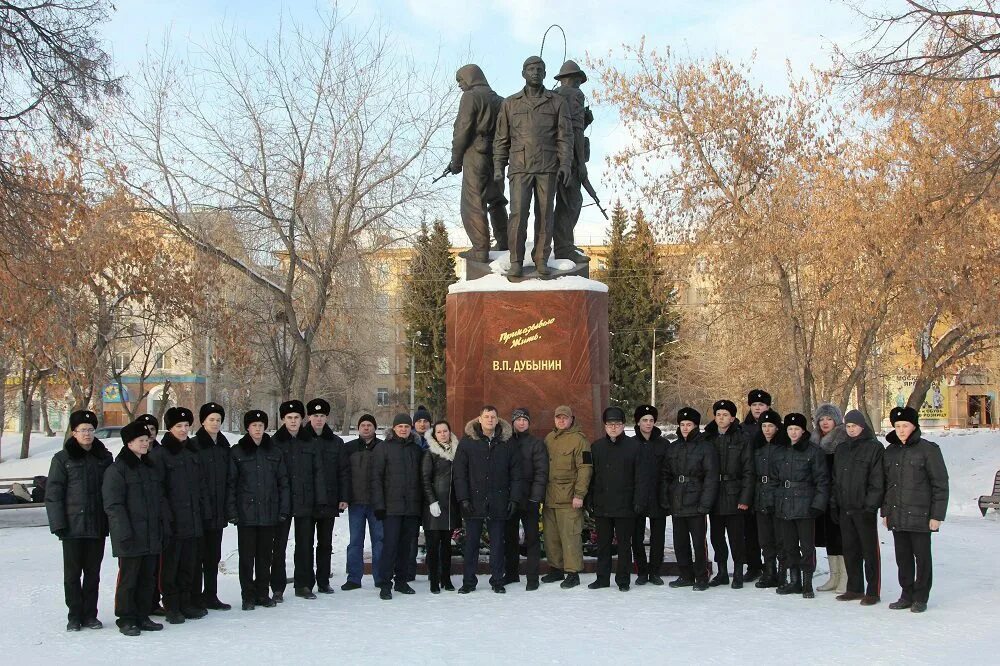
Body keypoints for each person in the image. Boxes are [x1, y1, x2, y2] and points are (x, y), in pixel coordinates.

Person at [493, 55, 573, 277]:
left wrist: (565, 163)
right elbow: (501, 139)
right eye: (531, 68)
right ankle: (516, 260)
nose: (535, 72)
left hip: (548, 166)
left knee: (545, 215)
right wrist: (498, 166)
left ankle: (541, 259)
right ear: (523, 73)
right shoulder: (510, 103)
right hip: (519, 167)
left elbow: (565, 137)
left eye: (539, 69)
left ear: (545, 74)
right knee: (518, 215)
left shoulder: (557, 102)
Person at [45, 409, 113, 631]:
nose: (87, 434)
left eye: (91, 430)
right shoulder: (62, 459)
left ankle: (90, 614)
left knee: (93, 574)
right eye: (82, 430)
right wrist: (58, 524)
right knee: (72, 575)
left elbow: (110, 491)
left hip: (96, 526)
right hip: (72, 527)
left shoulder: (103, 457)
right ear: (73, 433)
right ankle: (74, 615)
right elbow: (53, 494)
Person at [883, 406, 949, 613]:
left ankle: (921, 596)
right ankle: (906, 594)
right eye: (898, 426)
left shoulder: (928, 450)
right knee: (902, 557)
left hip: (921, 516)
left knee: (922, 557)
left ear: (914, 426)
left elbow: (940, 484)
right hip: (897, 515)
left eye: (905, 426)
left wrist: (937, 515)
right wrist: (886, 512)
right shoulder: (890, 451)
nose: (901, 430)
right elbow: (887, 484)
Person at [103, 421, 165, 636]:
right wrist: (123, 532)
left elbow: (157, 499)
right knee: (129, 578)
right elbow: (113, 505)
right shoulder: (118, 470)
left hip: (150, 533)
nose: (145, 444)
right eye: (141, 441)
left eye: (147, 440)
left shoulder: (148, 467)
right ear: (129, 443)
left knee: (147, 577)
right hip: (130, 534)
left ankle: (142, 614)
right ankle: (126, 617)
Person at [226, 410, 290, 610]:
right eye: (254, 425)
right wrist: (233, 511)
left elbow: (283, 483)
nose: (258, 429)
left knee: (265, 557)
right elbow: (231, 484)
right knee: (247, 558)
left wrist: (283, 509)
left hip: (269, 513)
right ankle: (248, 596)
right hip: (246, 514)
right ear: (248, 428)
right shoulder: (237, 452)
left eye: (261, 425)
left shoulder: (274, 451)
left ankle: (263, 593)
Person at [149, 406, 208, 624]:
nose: (183, 430)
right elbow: (159, 490)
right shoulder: (161, 454)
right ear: (169, 428)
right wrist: (167, 518)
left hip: (193, 520)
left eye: (186, 426)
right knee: (170, 567)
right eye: (178, 426)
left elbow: (201, 485)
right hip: (172, 522)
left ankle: (186, 602)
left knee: (189, 565)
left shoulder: (192, 452)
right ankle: (172, 606)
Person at [455, 405, 522, 594]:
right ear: (479, 419)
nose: (490, 420)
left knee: (497, 545)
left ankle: (497, 581)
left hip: (499, 501)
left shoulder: (507, 443)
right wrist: (463, 499)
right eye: (486, 416)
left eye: (493, 417)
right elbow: (460, 474)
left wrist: (514, 499)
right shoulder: (468, 442)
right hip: (474, 501)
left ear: (498, 420)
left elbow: (516, 473)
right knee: (471, 544)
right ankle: (468, 581)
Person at [443, 64, 508, 259]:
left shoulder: (470, 97)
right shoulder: (501, 101)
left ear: (471, 78)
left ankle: (480, 248)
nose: (460, 85)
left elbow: (462, 130)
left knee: (472, 202)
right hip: (496, 157)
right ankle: (504, 242)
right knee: (497, 200)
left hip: (475, 154)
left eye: (461, 80)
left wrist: (456, 161)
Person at [271, 399, 327, 601]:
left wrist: (320, 500)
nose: (293, 421)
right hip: (282, 502)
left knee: (305, 544)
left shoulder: (310, 442)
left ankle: (303, 584)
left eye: (296, 417)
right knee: (279, 546)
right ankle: (277, 587)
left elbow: (318, 472)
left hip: (305, 500)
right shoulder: (275, 443)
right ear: (283, 419)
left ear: (302, 419)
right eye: (289, 418)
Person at [587, 407, 645, 592]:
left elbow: (641, 478)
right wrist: (590, 499)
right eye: (610, 424)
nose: (613, 428)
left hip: (625, 505)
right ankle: (602, 578)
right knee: (602, 545)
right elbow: (591, 475)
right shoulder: (596, 447)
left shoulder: (634, 447)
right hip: (603, 504)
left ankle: (623, 580)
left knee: (624, 546)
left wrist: (638, 501)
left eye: (617, 424)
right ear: (604, 426)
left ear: (623, 426)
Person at [660, 407, 718, 590]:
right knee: (680, 542)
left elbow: (710, 477)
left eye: (689, 424)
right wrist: (666, 498)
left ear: (696, 426)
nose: (685, 428)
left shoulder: (705, 447)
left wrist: (705, 503)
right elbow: (665, 474)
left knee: (698, 542)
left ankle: (701, 576)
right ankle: (685, 575)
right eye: (682, 424)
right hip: (677, 499)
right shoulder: (674, 446)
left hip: (696, 501)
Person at [831, 409, 885, 606]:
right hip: (845, 507)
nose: (851, 429)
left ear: (862, 426)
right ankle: (854, 587)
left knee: (869, 551)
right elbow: (836, 479)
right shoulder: (842, 449)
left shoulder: (874, 448)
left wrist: (871, 505)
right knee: (850, 550)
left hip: (864, 509)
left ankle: (873, 590)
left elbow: (877, 480)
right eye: (848, 426)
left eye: (854, 425)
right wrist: (835, 504)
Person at [774, 412, 829, 599]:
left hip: (805, 505)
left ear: (803, 430)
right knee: (789, 545)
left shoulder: (813, 451)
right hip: (785, 504)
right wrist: (776, 501)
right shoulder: (781, 451)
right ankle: (795, 580)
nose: (793, 432)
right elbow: (775, 479)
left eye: (797, 429)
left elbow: (822, 480)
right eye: (790, 429)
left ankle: (807, 583)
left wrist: (818, 504)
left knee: (807, 546)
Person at [371, 413, 424, 600]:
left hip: (411, 508)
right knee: (390, 546)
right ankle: (385, 583)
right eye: (400, 426)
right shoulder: (383, 448)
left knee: (405, 547)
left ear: (411, 429)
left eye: (406, 426)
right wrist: (379, 505)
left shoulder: (416, 450)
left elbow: (421, 480)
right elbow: (376, 479)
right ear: (393, 428)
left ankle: (401, 581)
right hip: (391, 508)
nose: (403, 429)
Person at [542, 405, 593, 589]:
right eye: (558, 418)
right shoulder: (549, 438)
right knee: (551, 536)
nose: (561, 420)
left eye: (565, 417)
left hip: (570, 498)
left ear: (572, 419)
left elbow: (585, 468)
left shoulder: (580, 441)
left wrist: (580, 494)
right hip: (550, 498)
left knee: (570, 536)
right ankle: (556, 568)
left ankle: (572, 572)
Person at [704, 399, 752, 588]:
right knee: (716, 537)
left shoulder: (742, 438)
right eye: (718, 415)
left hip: (734, 493)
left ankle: (738, 572)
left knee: (736, 537)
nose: (721, 418)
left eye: (725, 415)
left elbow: (749, 470)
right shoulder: (708, 437)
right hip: (714, 493)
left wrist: (745, 498)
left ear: (732, 418)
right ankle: (722, 572)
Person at [305, 398, 351, 594]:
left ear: (326, 418)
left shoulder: (336, 442)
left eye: (322, 416)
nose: (318, 419)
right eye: (315, 416)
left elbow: (343, 471)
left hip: (329, 501)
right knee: (305, 544)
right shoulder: (301, 440)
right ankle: (306, 582)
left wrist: (344, 496)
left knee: (325, 544)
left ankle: (323, 581)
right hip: (306, 502)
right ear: (309, 417)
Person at [191, 401, 231, 611]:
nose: (215, 423)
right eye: (211, 419)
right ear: (203, 421)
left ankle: (211, 595)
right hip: (200, 511)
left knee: (213, 556)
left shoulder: (224, 447)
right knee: (198, 556)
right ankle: (195, 597)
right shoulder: (195, 445)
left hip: (218, 510)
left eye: (218, 420)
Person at [503, 407, 549, 590]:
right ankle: (512, 574)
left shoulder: (536, 444)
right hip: (511, 499)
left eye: (525, 420)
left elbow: (541, 472)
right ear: (512, 422)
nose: (521, 423)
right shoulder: (505, 442)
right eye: (518, 420)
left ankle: (532, 578)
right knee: (510, 538)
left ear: (529, 423)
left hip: (529, 498)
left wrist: (535, 497)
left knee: (532, 540)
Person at [552, 59, 591, 263]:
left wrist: (586, 120)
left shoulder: (553, 96)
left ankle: (563, 243)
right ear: (574, 79)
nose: (579, 85)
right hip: (571, 159)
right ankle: (563, 246)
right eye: (577, 80)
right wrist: (581, 162)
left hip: (552, 158)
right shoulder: (575, 94)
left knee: (562, 202)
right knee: (572, 201)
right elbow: (574, 129)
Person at [342, 414, 384, 591]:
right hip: (356, 503)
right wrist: (344, 497)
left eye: (369, 425)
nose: (366, 428)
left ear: (374, 427)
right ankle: (353, 577)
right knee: (355, 541)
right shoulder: (349, 448)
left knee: (380, 540)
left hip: (377, 504)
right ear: (358, 428)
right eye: (363, 425)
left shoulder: (383, 447)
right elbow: (343, 474)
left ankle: (381, 577)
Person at [811, 403, 849, 594]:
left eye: (829, 419)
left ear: (836, 420)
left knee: (841, 536)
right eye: (822, 419)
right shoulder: (815, 441)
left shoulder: (842, 440)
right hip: (822, 497)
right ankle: (834, 576)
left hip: (839, 496)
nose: (825, 422)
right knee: (829, 537)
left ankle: (845, 577)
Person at [421, 420, 460, 593]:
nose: (443, 434)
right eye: (439, 432)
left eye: (445, 431)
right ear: (434, 435)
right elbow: (425, 478)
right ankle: (434, 581)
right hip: (434, 506)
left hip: (450, 506)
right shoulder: (430, 453)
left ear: (449, 432)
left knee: (446, 545)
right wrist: (432, 501)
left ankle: (446, 578)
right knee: (433, 545)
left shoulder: (457, 451)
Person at [632, 404, 669, 585]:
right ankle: (641, 571)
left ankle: (655, 571)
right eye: (644, 420)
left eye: (651, 420)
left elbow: (668, 471)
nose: (648, 424)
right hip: (637, 497)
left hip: (657, 496)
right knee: (637, 537)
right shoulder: (631, 444)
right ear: (638, 422)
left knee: (658, 537)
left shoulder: (663, 444)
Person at [751, 408, 788, 589]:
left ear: (777, 427)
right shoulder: (757, 446)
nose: (767, 429)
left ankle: (782, 573)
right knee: (765, 539)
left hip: (778, 496)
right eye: (764, 426)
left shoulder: (783, 447)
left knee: (781, 538)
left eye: (770, 426)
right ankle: (769, 572)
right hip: (760, 496)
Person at [740, 389, 772, 581]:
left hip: (768, 483)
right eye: (754, 405)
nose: (757, 408)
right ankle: (753, 565)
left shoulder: (776, 427)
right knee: (749, 529)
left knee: (769, 529)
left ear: (768, 407)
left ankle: (771, 566)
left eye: (761, 405)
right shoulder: (743, 428)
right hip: (748, 483)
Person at [405, 405, 433, 583]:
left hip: (432, 495)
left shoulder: (437, 441)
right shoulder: (408, 441)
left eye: (425, 421)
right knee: (411, 535)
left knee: (432, 534)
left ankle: (434, 569)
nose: (422, 424)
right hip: (413, 494)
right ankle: (408, 570)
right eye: (419, 421)